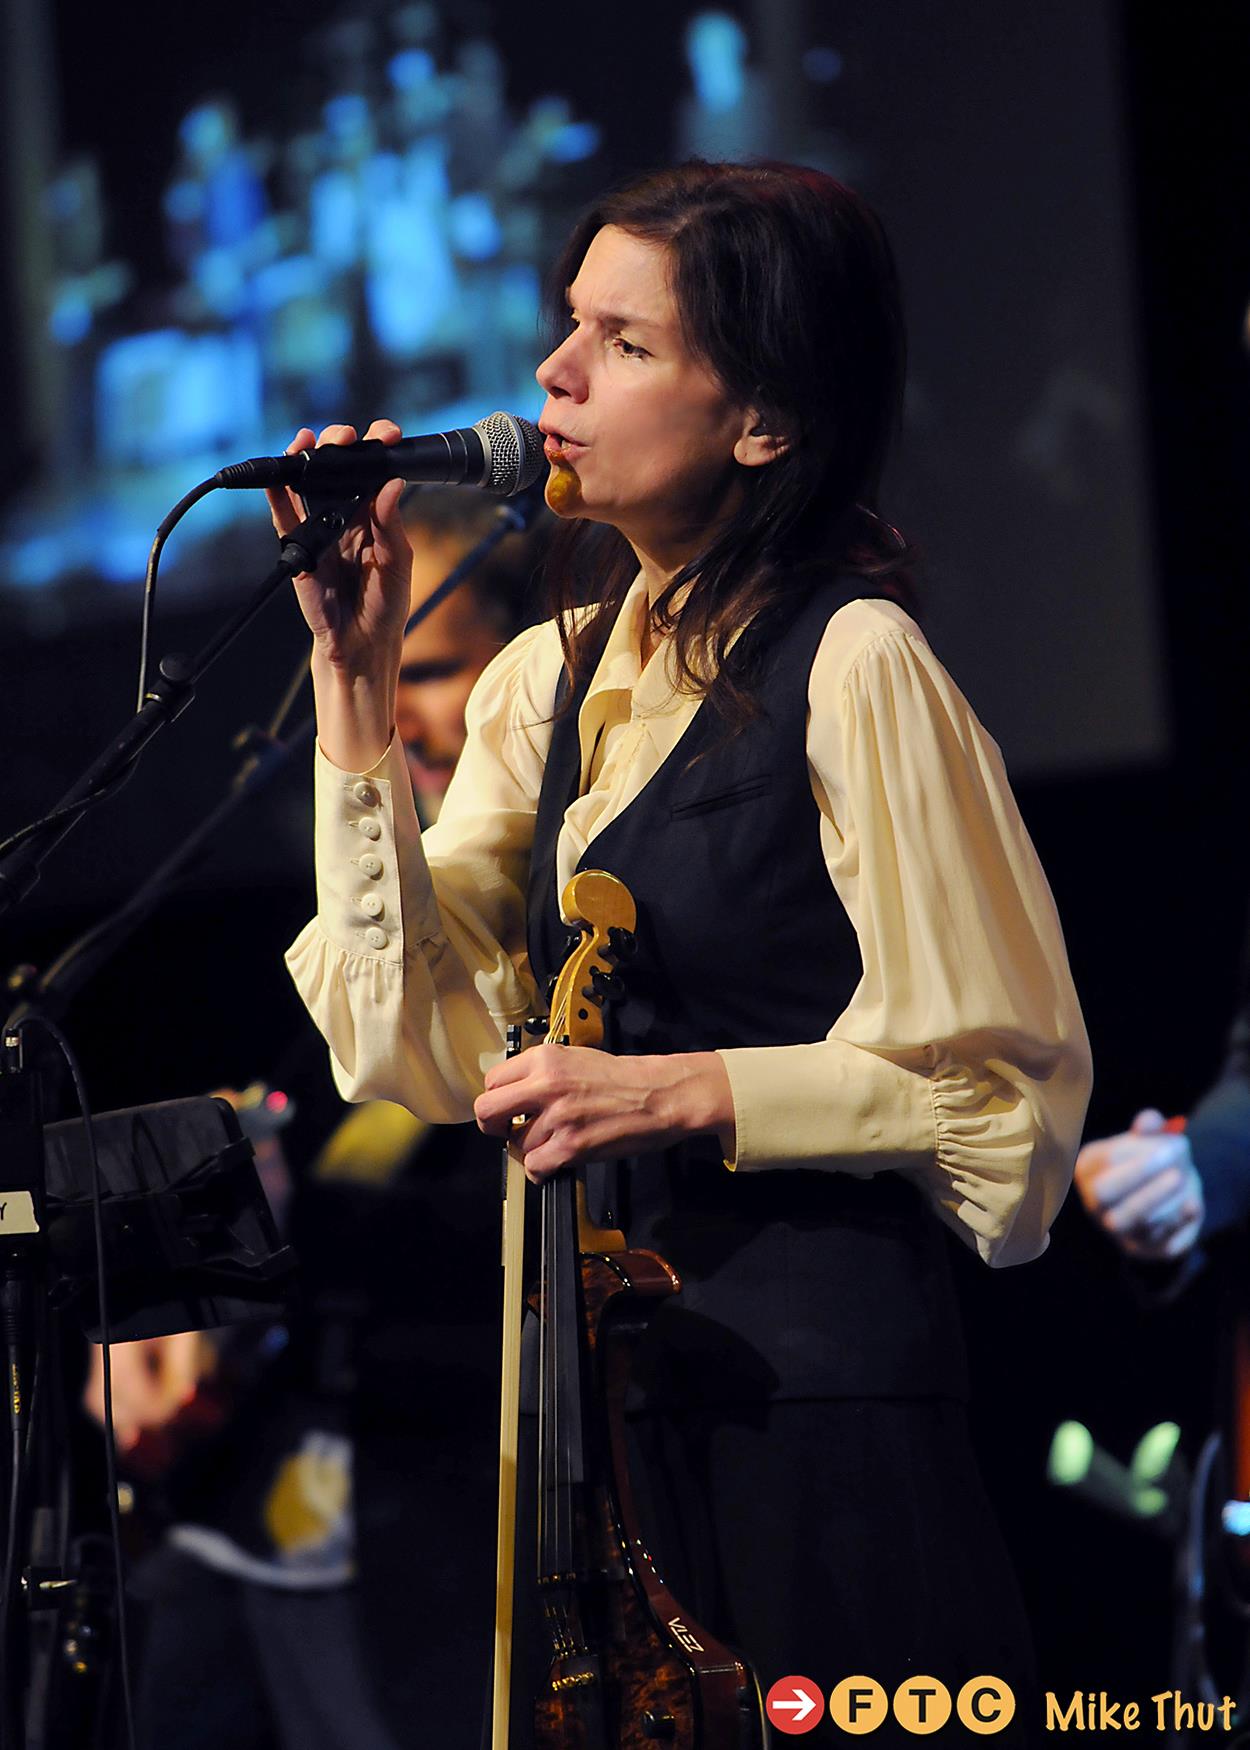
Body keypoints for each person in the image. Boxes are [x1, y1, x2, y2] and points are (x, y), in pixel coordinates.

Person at [276, 161, 1091, 1741]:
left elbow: (1006, 1108)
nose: (553, 377)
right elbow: (410, 1050)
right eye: (564, 326)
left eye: (624, 343)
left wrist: (686, 1090)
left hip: (822, 1424)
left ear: (763, 420)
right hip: (616, 1428)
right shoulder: (543, 684)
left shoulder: (856, 663)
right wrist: (357, 690)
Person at [84, 488, 545, 1750]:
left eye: (432, 667)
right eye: (367, 674)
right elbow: (282, 1129)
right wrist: (153, 1326)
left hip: (438, 1533)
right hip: (243, 1521)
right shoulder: (348, 925)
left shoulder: (564, 907)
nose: (391, 715)